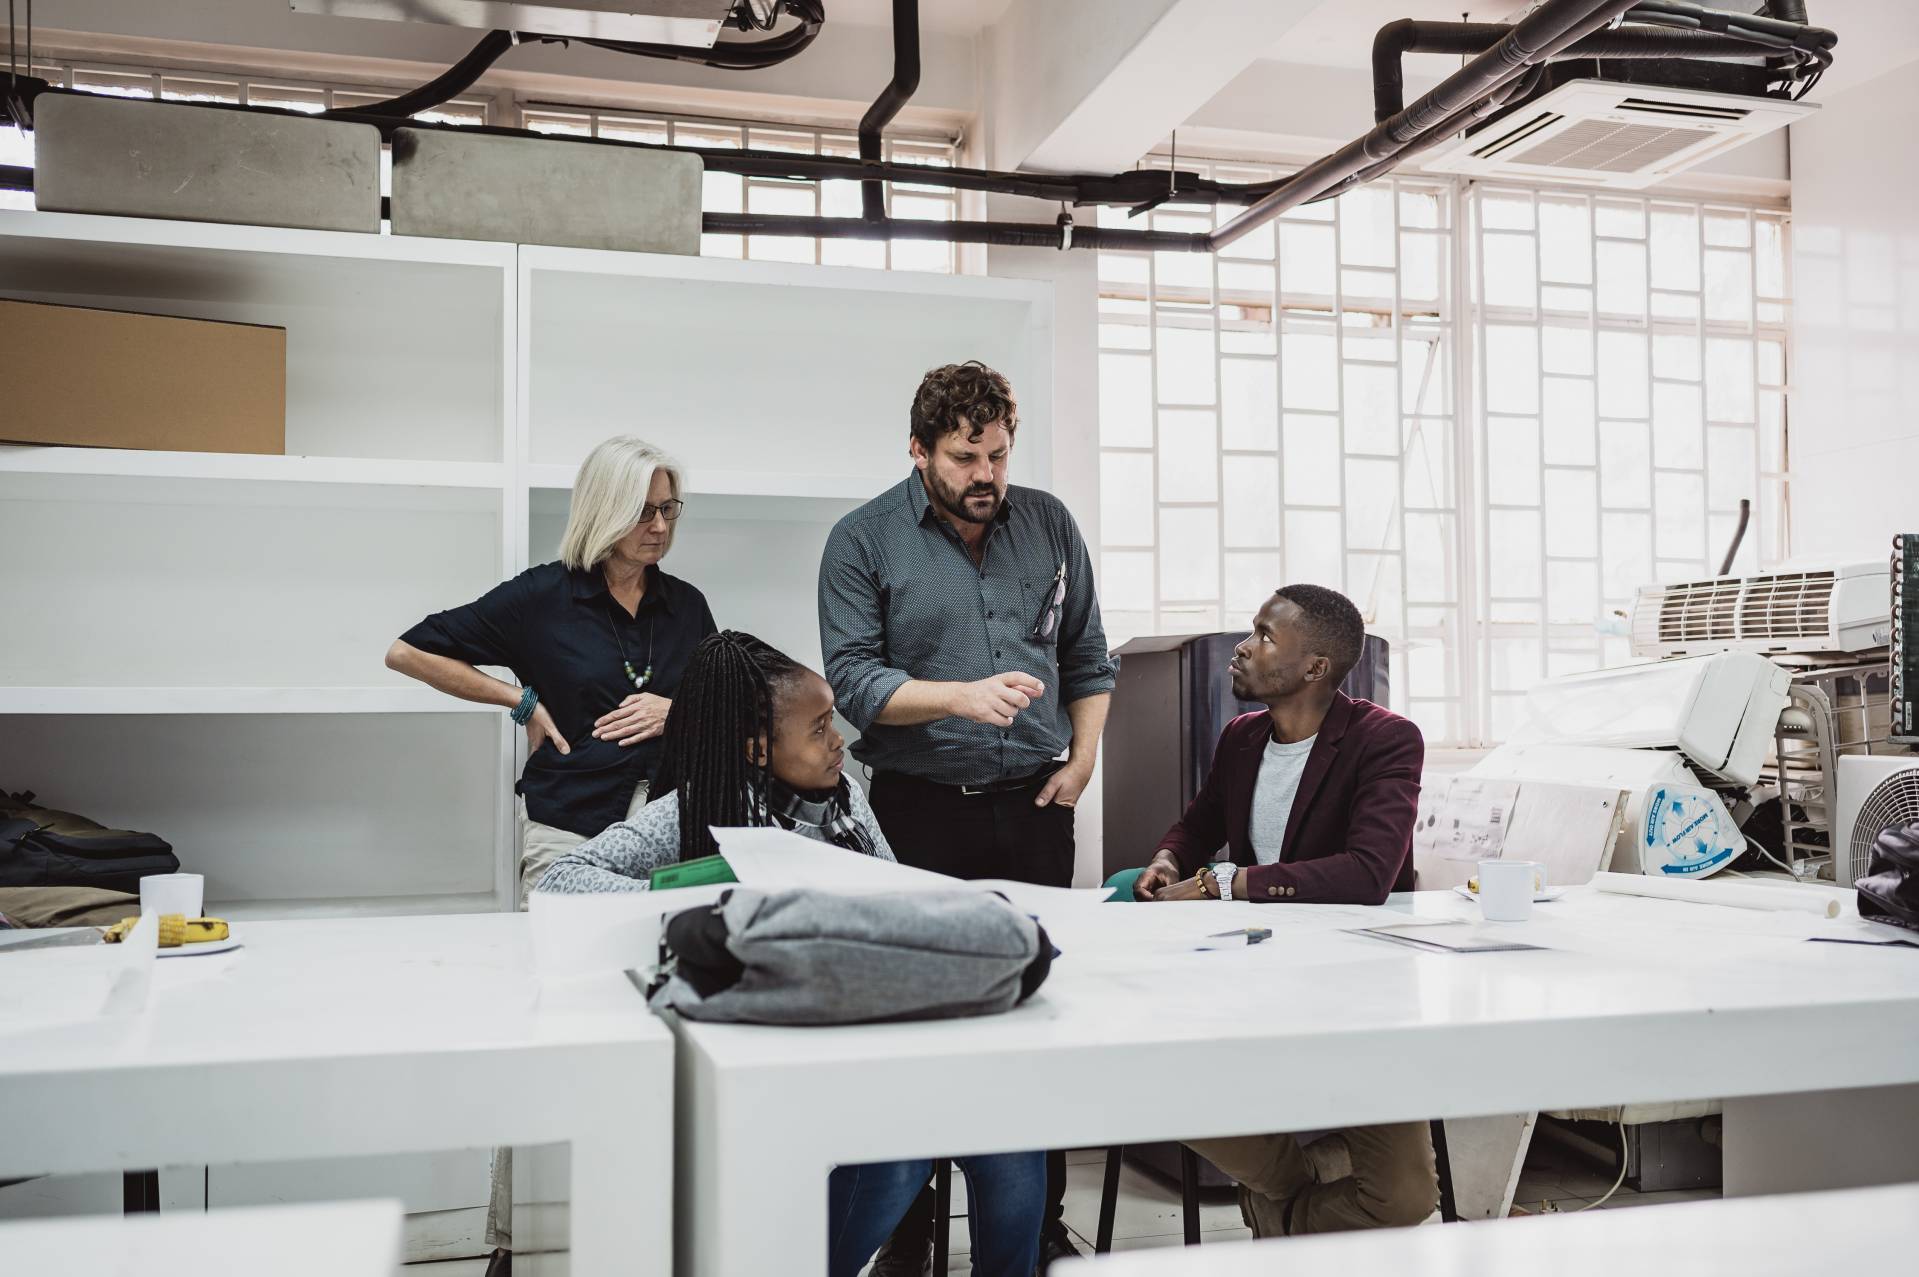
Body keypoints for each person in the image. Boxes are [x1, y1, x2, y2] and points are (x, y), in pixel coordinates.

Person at [536, 632, 1044, 1277]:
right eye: (820, 728)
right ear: (757, 746)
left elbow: (893, 892)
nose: (838, 741)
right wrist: (714, 905)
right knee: (894, 1160)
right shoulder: (692, 810)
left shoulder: (846, 801)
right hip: (782, 1061)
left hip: (875, 1039)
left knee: (1014, 1133)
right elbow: (563, 879)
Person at [817, 359, 1117, 1271]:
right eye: (964, 456)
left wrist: (1082, 762)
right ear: (918, 452)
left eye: (997, 453)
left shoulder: (1050, 523)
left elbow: (1089, 655)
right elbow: (854, 683)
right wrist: (958, 697)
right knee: (916, 1031)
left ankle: (1033, 1237)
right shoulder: (861, 539)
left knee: (1033, 1019)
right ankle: (905, 1238)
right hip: (914, 818)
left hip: (1033, 810)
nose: (987, 474)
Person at [1110, 584, 1437, 1238]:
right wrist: (1170, 859)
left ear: (1314, 667)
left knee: (1402, 1199)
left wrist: (1221, 884)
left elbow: (1368, 871)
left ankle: (1278, 1215)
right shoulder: (1241, 737)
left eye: (1262, 635)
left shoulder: (1386, 739)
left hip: (1357, 997)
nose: (1242, 646)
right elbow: (1195, 824)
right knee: (1149, 1084)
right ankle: (1295, 1192)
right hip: (1247, 984)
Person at [386, 437, 715, 908]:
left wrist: (677, 712)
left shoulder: (687, 604)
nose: (660, 526)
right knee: (556, 958)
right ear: (605, 509)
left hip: (671, 825)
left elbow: (728, 699)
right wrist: (520, 702)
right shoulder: (540, 598)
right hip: (569, 824)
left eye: (668, 509)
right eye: (643, 512)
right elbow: (408, 652)